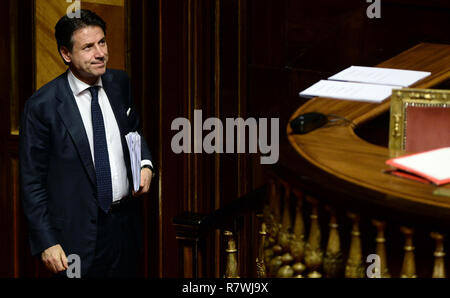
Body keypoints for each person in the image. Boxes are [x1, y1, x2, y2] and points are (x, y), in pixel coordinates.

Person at [19, 9, 154, 278]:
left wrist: (145, 163)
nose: (100, 53)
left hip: (125, 228)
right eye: (88, 47)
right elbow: (31, 181)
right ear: (66, 54)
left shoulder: (120, 83)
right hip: (74, 237)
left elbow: (133, 130)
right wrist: (46, 241)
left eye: (102, 42)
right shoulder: (42, 106)